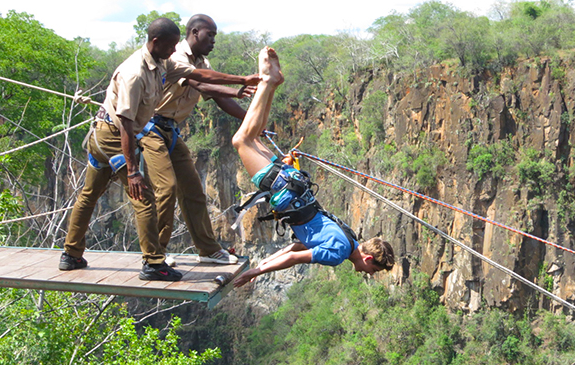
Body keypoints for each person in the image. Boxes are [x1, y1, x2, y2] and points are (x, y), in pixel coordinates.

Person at [59, 18, 257, 280]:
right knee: (144, 197)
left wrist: (241, 85)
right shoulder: (134, 74)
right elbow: (127, 125)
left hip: (122, 131)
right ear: (156, 42)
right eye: (171, 44)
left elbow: (199, 77)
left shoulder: (165, 61)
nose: (175, 49)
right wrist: (132, 171)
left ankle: (71, 255)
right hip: (114, 136)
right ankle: (154, 262)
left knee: (90, 195)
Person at [231, 47, 395, 287]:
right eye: (373, 269)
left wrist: (259, 267)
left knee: (252, 138)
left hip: (291, 183)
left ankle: (272, 83)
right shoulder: (337, 254)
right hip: (282, 189)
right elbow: (294, 258)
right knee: (242, 140)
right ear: (368, 258)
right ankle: (268, 81)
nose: (369, 274)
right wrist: (255, 273)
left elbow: (294, 247)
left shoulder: (349, 237)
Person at [142, 14, 255, 265]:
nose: (213, 40)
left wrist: (250, 120)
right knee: (167, 188)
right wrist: (239, 86)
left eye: (215, 35)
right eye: (210, 35)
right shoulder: (176, 55)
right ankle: (155, 253)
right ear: (194, 32)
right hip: (149, 127)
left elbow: (218, 97)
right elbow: (201, 85)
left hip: (171, 129)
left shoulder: (203, 60)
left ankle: (208, 250)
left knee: (193, 191)